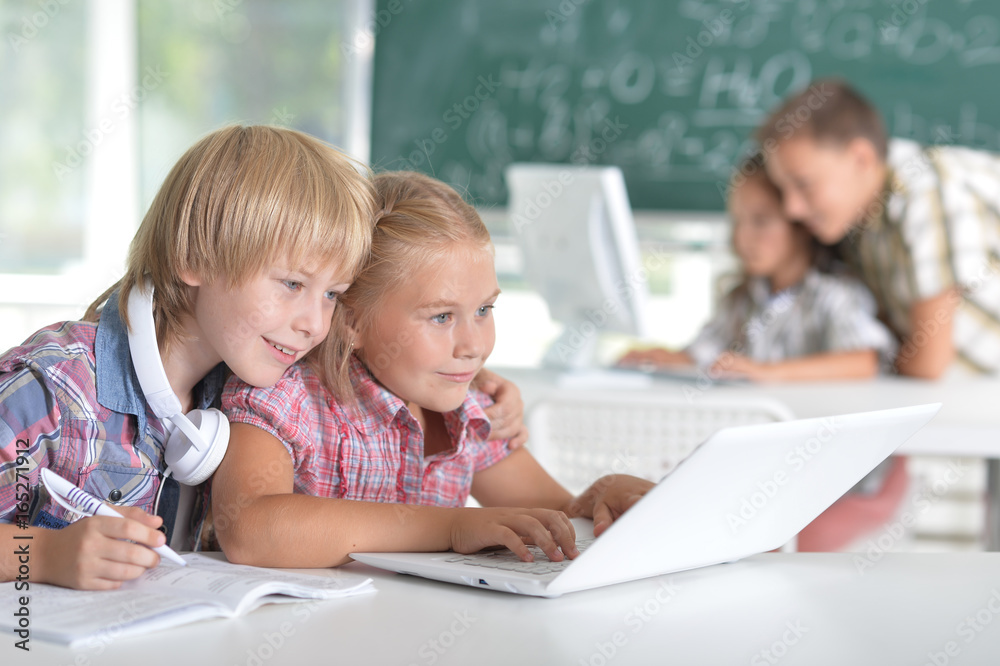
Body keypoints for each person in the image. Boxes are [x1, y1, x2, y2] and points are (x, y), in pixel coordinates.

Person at [213, 171, 654, 568]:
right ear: (352, 322)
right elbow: (248, 528)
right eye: (441, 317)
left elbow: (553, 513)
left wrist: (599, 498)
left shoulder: (473, 411)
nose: (474, 346)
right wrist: (450, 527)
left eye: (484, 310)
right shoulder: (287, 399)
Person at [756, 78, 1000, 379]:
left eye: (803, 184)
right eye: (783, 190)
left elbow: (929, 362)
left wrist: (872, 363)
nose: (791, 209)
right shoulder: (854, 221)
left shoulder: (925, 188)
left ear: (861, 158)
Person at [619, 152, 897, 381]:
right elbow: (705, 356)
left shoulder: (834, 294)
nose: (741, 237)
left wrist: (767, 373)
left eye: (760, 221)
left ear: (801, 224)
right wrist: (660, 358)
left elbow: (866, 361)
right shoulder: (741, 298)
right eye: (737, 221)